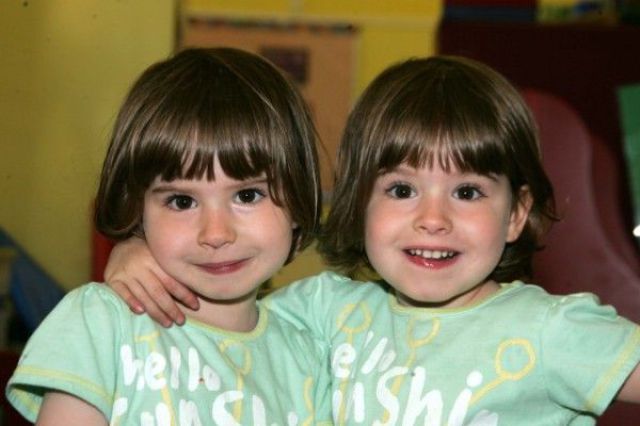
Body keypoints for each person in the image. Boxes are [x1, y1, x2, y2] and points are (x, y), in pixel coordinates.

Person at [102, 55, 640, 424]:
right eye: (402, 189)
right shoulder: (324, 311)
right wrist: (137, 250)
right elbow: (219, 310)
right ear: (360, 203)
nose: (433, 219)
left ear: (516, 214)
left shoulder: (550, 330)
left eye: (468, 192)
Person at [5, 47, 332, 425]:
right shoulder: (101, 324)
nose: (215, 233)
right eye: (182, 201)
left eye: (247, 195)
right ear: (137, 208)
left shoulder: (311, 352)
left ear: (298, 197)